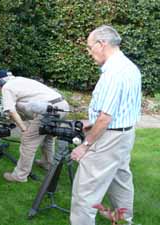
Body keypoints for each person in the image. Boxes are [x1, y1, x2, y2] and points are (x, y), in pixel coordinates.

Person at [70, 25, 141, 225]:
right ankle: (124, 218)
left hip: (108, 136)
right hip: (125, 135)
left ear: (102, 44)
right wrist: (91, 122)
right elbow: (122, 108)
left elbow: (106, 117)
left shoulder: (113, 73)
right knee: (120, 179)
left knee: (85, 191)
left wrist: (85, 145)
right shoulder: (129, 67)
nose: (89, 52)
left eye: (90, 47)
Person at [0, 69, 69, 183]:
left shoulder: (7, 87)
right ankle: (47, 164)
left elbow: (11, 110)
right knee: (48, 137)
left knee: (28, 141)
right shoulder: (20, 80)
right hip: (62, 106)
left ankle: (20, 176)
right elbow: (25, 107)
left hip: (48, 110)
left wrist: (23, 128)